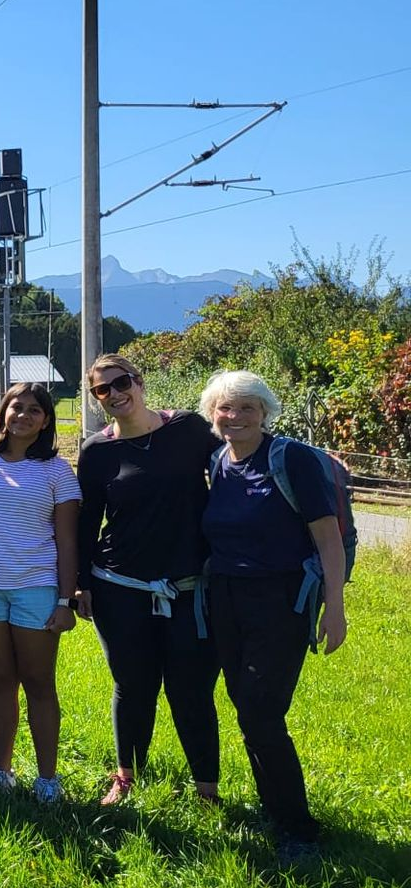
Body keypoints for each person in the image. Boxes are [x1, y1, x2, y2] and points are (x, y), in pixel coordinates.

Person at [200, 370, 347, 864]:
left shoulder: (290, 460)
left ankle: (300, 832)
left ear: (265, 412)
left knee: (262, 711)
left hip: (282, 601)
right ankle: (276, 809)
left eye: (247, 407)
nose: (235, 416)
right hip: (225, 597)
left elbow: (327, 538)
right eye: (225, 407)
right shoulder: (219, 461)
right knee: (247, 708)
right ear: (212, 414)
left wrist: (334, 608)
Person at [76, 354, 222, 806]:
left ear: (139, 382)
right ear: (96, 399)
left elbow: (238, 461)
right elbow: (87, 522)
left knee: (191, 689)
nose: (115, 394)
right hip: (119, 587)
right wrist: (81, 584)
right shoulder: (96, 451)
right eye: (102, 389)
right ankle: (125, 778)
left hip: (190, 588)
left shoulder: (189, 429)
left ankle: (207, 791)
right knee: (133, 686)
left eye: (121, 382)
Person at [0, 382, 81, 802]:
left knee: (39, 682)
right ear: (3, 411)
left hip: (36, 589)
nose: (23, 416)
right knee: (1, 680)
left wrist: (65, 600)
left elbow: (68, 541)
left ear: (46, 421)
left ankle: (47, 780)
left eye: (34, 410)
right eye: (16, 407)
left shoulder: (57, 471)